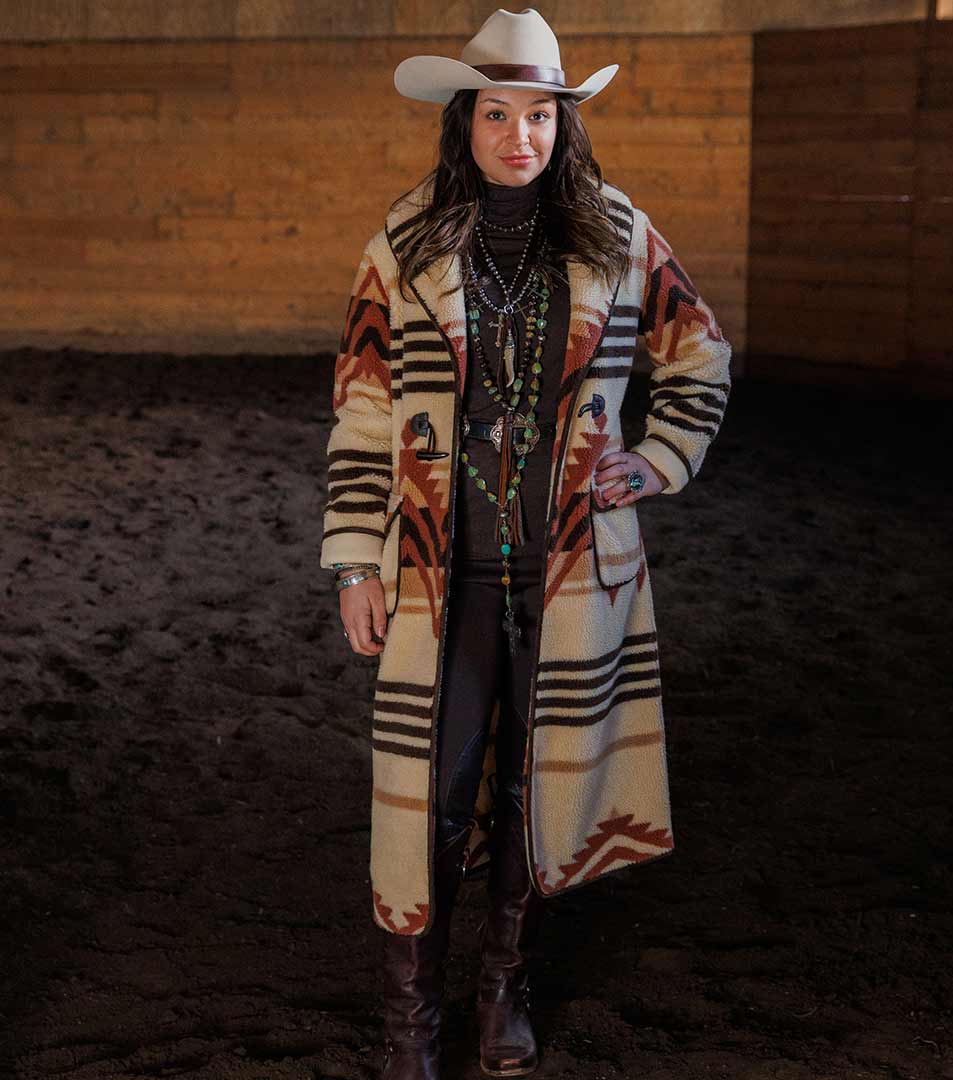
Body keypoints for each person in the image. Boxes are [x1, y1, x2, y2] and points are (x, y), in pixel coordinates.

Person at [320, 8, 732, 1078]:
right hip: (437, 571)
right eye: (497, 113)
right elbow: (364, 410)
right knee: (433, 793)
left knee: (534, 787)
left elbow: (700, 354)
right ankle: (412, 1023)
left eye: (540, 114)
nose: (521, 135)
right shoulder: (403, 245)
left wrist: (656, 460)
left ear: (564, 124)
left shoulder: (618, 233)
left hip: (575, 571)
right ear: (464, 122)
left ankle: (505, 984)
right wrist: (356, 560)